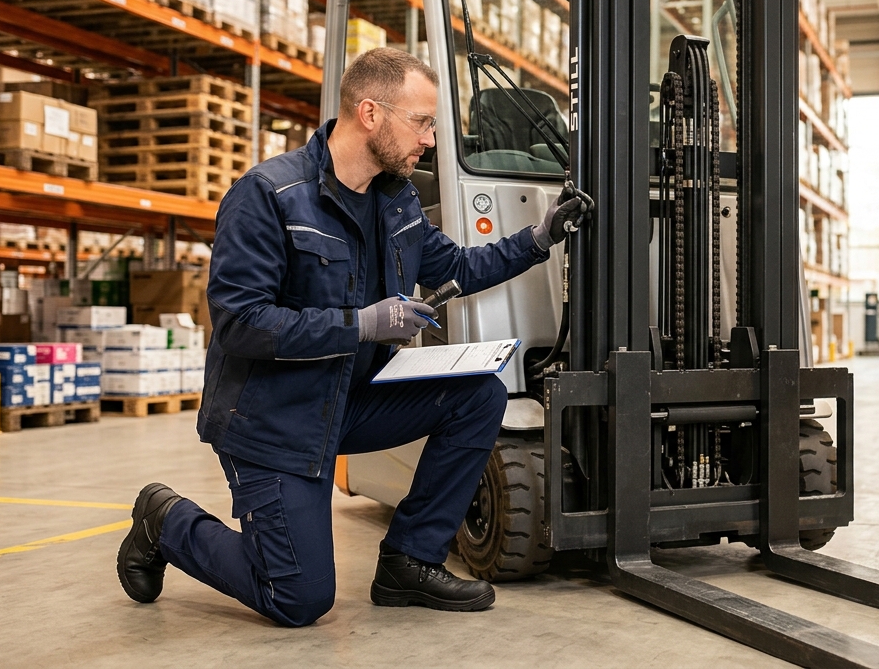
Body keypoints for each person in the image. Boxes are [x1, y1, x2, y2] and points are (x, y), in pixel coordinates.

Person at [115, 48, 587, 626]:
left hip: (349, 401)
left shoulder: (397, 200)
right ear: (370, 113)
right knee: (299, 600)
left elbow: (458, 266)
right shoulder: (268, 196)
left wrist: (539, 239)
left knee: (479, 395)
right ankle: (165, 519)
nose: (432, 139)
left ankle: (409, 561)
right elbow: (239, 322)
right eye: (422, 122)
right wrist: (362, 324)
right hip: (274, 420)